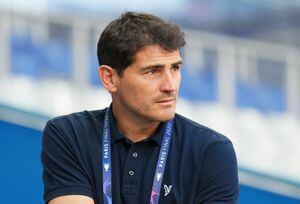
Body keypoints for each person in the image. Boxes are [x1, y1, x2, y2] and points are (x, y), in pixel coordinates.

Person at [41, 11, 239, 204]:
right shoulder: (68, 135)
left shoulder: (211, 151)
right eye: (153, 71)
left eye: (175, 68)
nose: (170, 86)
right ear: (110, 78)